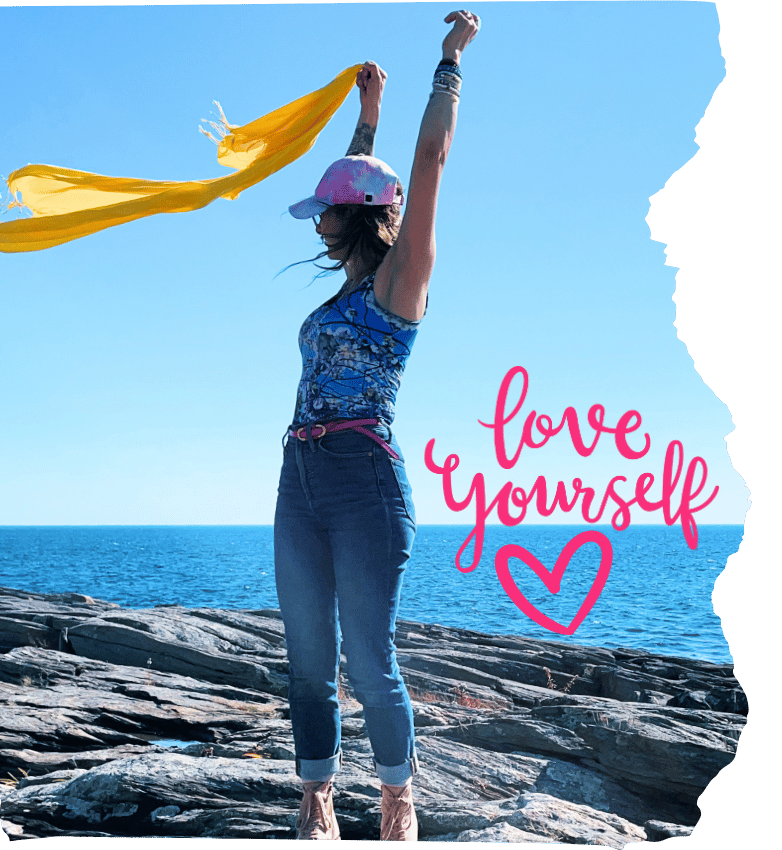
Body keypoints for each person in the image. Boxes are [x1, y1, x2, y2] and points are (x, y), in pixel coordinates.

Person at [274, 11, 480, 842]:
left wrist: (447, 63)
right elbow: (366, 182)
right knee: (307, 659)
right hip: (300, 476)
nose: (315, 224)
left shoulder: (403, 283)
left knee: (370, 660)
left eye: (324, 213)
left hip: (365, 479)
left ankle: (398, 799)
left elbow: (422, 169)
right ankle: (316, 796)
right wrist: (368, 111)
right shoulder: (343, 289)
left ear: (352, 216)